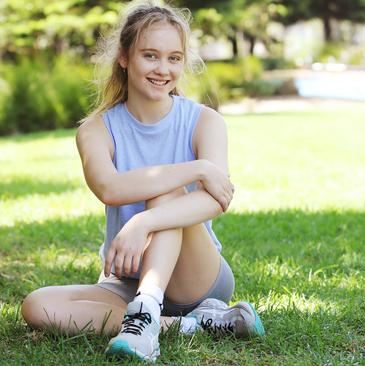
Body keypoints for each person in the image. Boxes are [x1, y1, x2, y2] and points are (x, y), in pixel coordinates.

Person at [21, 0, 264, 361]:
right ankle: (189, 324)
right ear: (124, 57)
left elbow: (217, 199)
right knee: (37, 306)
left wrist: (144, 221)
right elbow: (109, 188)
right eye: (150, 56)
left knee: (164, 195)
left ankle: (148, 312)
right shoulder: (96, 129)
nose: (163, 69)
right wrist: (198, 169)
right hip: (126, 282)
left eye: (174, 58)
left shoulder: (205, 121)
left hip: (194, 276)